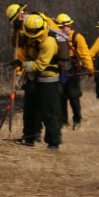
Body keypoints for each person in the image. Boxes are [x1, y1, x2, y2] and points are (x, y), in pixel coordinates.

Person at [11, 14, 64, 150]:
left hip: (48, 79)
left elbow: (41, 65)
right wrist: (15, 30)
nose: (30, 35)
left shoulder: (49, 42)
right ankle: (29, 138)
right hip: (32, 77)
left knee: (49, 111)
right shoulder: (30, 32)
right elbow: (16, 42)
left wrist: (22, 64)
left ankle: (53, 142)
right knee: (29, 109)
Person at [55, 14, 93, 130]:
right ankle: (63, 121)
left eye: (63, 27)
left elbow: (85, 53)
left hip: (74, 69)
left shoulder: (77, 37)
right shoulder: (56, 38)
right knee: (60, 95)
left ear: (69, 26)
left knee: (73, 95)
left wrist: (89, 67)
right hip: (61, 69)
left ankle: (77, 119)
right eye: (59, 27)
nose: (61, 30)